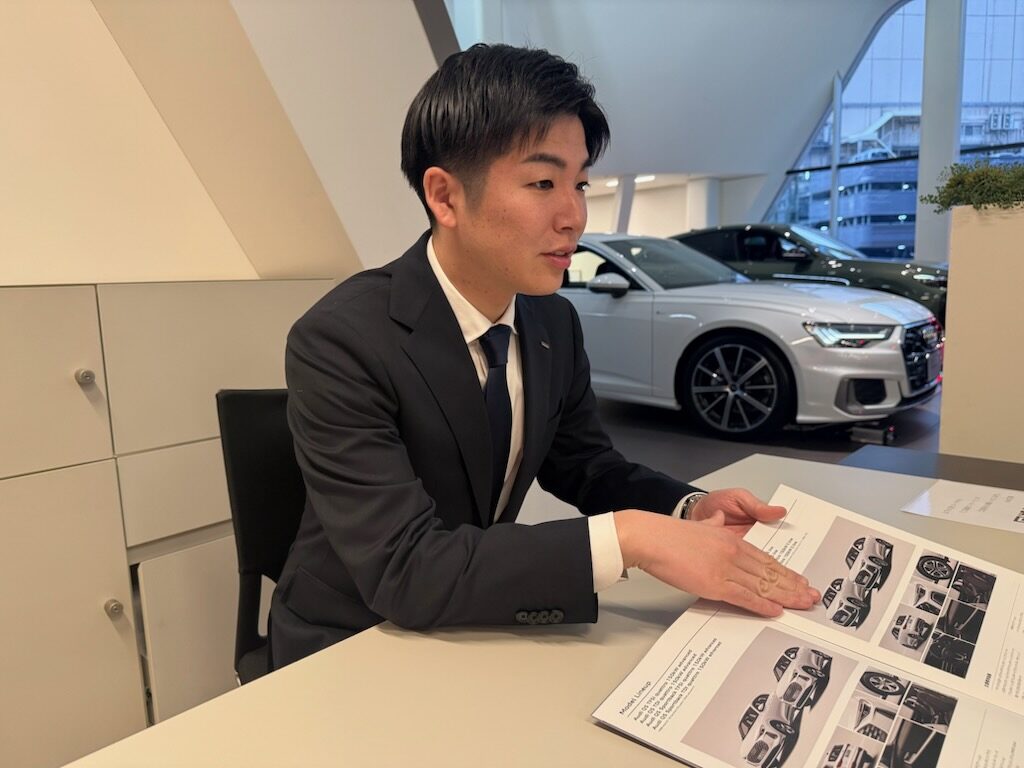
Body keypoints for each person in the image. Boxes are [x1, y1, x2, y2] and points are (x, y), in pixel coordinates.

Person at [268, 43, 818, 670]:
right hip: (349, 641)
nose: (575, 216)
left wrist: (688, 509)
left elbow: (585, 465)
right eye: (542, 183)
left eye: (580, 183)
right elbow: (405, 567)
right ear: (445, 196)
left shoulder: (551, 320)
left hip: (473, 617)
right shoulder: (342, 339)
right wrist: (632, 538)